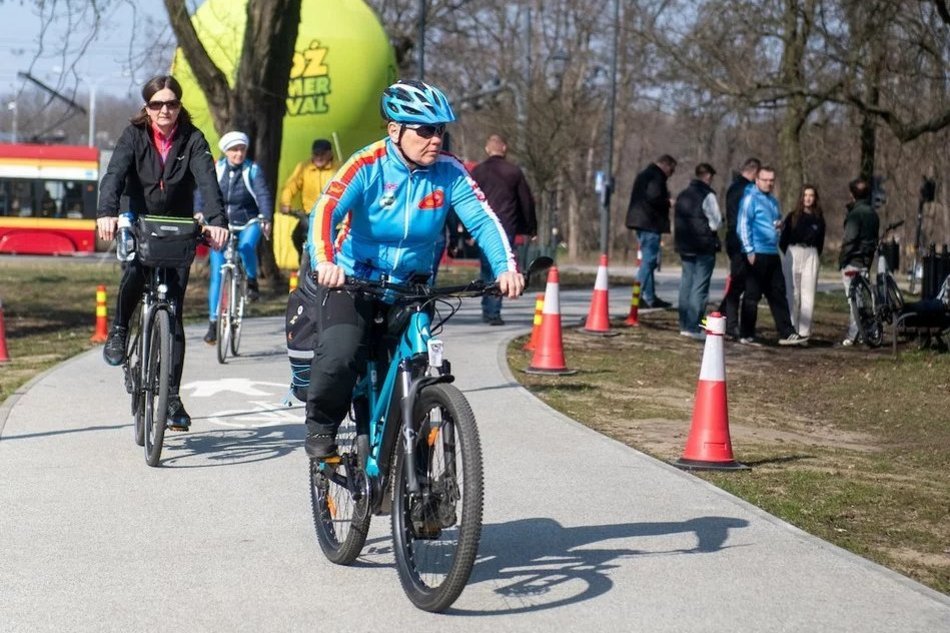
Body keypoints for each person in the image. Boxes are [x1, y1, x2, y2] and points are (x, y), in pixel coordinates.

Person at [303, 79, 523, 459]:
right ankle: (322, 426)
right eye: (424, 130)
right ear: (395, 130)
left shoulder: (450, 173)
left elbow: (484, 221)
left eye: (440, 130)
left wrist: (505, 268)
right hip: (354, 282)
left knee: (418, 371)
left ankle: (420, 485)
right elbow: (326, 209)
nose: (435, 139)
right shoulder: (367, 164)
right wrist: (325, 262)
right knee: (340, 355)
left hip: (413, 288)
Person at [96, 75, 228, 430]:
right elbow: (114, 174)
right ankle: (121, 329)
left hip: (179, 227)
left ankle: (171, 398)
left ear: (179, 106)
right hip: (141, 220)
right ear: (147, 108)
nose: (164, 110)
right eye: (157, 104)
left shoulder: (193, 140)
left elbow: (208, 183)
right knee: (135, 273)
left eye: (171, 103)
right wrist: (107, 212)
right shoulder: (134, 136)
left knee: (174, 313)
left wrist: (217, 221)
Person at [197, 131, 274, 344]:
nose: (238, 153)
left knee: (247, 247)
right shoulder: (217, 168)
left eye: (241, 149)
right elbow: (203, 193)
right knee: (217, 274)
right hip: (221, 224)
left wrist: (265, 217)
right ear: (225, 151)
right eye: (233, 150)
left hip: (249, 220)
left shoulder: (253, 170)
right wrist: (199, 212)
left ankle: (251, 280)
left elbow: (263, 195)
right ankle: (213, 324)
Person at [470, 133, 537, 325]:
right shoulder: (513, 172)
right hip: (506, 225)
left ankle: (488, 307)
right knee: (502, 268)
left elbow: (469, 201)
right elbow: (526, 201)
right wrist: (530, 228)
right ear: (504, 148)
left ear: (487, 149)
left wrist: (465, 231)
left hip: (482, 227)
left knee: (486, 268)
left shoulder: (479, 172)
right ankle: (494, 311)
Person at [736, 166, 807, 346]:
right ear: (757, 180)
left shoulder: (773, 201)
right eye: (765, 180)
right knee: (752, 295)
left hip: (772, 252)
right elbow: (743, 226)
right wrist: (749, 251)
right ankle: (746, 333)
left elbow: (775, 222)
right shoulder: (750, 199)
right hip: (756, 253)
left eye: (771, 180)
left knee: (778, 293)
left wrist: (779, 227)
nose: (769, 183)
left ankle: (786, 332)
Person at [674, 163, 722, 339]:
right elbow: (716, 223)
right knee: (700, 287)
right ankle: (694, 326)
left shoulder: (682, 195)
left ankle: (684, 324)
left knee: (686, 284)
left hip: (685, 245)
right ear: (708, 176)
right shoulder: (707, 195)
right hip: (703, 246)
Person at [625, 154, 677, 309]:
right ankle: (638, 295)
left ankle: (650, 297)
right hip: (650, 223)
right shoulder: (656, 176)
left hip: (641, 221)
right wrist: (668, 202)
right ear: (666, 166)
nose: (670, 175)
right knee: (648, 261)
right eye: (671, 171)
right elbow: (653, 196)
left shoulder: (645, 174)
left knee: (649, 260)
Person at [719, 157, 761, 339]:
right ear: (754, 172)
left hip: (733, 239)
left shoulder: (733, 187)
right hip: (742, 241)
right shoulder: (747, 189)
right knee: (738, 284)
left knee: (739, 282)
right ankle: (731, 325)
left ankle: (720, 318)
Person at [779, 184, 826, 339]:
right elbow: (783, 240)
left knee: (808, 294)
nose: (808, 198)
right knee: (792, 294)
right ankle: (791, 330)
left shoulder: (819, 219)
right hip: (793, 252)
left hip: (811, 254)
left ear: (815, 198)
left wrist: (812, 255)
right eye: (805, 195)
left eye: (811, 195)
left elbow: (820, 242)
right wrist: (791, 252)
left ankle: (804, 333)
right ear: (801, 197)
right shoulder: (792, 216)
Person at [279, 138, 336, 263]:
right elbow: (290, 186)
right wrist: (285, 203)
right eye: (316, 154)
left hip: (333, 216)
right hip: (310, 215)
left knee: (336, 244)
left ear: (330, 154)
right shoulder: (304, 167)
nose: (318, 157)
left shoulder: (338, 168)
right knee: (296, 237)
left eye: (322, 154)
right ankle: (303, 262)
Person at [838, 178, 880, 346]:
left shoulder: (855, 215)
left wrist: (842, 260)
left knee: (853, 299)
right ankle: (868, 331)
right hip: (865, 260)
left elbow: (849, 239)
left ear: (852, 194)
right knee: (863, 297)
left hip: (852, 259)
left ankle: (853, 334)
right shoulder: (873, 214)